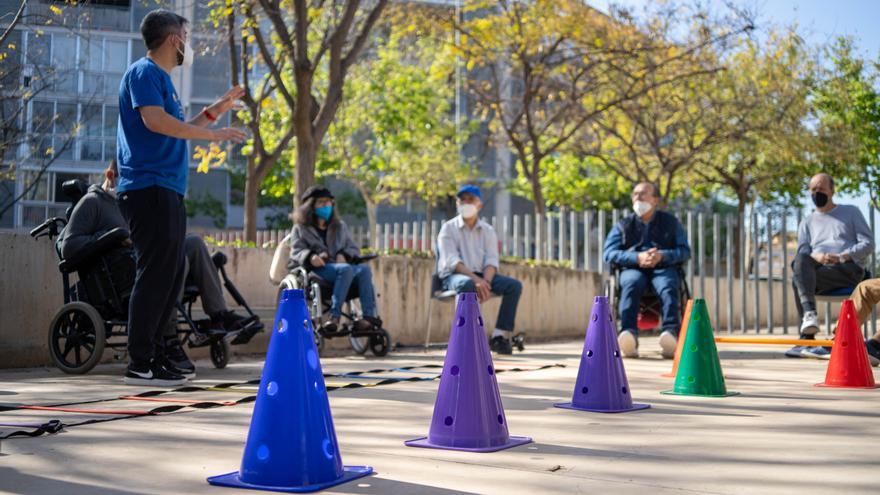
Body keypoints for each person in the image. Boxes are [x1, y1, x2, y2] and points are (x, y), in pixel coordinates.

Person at [117, 9, 245, 386]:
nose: (189, 44)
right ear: (175, 39)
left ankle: (157, 353)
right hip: (148, 188)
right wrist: (213, 137)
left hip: (167, 189)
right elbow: (154, 122)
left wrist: (216, 112)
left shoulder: (163, 82)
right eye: (187, 36)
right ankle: (140, 361)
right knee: (155, 275)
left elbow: (179, 129)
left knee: (171, 276)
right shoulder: (143, 73)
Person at [60, 161, 250, 378]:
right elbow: (70, 247)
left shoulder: (131, 202)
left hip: (144, 260)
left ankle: (219, 315)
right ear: (111, 176)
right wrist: (114, 237)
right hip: (119, 276)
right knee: (173, 260)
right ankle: (168, 337)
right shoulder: (92, 203)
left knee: (194, 244)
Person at [786, 173, 873, 359]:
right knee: (799, 263)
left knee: (798, 279)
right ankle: (809, 321)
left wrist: (842, 256)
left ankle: (806, 336)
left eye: (821, 188)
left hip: (848, 269)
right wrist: (816, 256)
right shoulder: (806, 222)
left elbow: (868, 243)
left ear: (832, 190)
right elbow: (803, 253)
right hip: (820, 271)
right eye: (813, 189)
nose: (817, 192)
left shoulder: (851, 212)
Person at [603, 182, 690, 359]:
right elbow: (609, 253)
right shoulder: (623, 225)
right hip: (633, 268)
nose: (638, 198)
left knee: (668, 285)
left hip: (663, 268)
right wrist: (637, 257)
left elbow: (684, 251)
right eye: (635, 194)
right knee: (630, 283)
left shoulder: (671, 223)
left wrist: (662, 256)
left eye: (643, 194)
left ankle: (670, 335)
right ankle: (628, 335)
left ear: (655, 199)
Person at [437, 184, 523, 355]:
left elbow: (491, 261)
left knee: (514, 286)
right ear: (457, 204)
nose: (466, 203)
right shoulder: (448, 228)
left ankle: (498, 336)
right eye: (462, 199)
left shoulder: (488, 230)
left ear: (479, 204)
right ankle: (466, 338)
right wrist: (477, 281)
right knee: (466, 285)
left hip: (483, 277)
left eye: (471, 199)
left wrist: (486, 282)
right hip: (454, 276)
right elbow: (453, 261)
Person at [288, 186, 381, 332]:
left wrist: (344, 254)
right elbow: (296, 251)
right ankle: (334, 316)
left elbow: (353, 248)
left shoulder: (339, 227)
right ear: (311, 206)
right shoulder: (300, 228)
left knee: (364, 270)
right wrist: (310, 256)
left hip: (342, 269)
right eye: (321, 203)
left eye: (329, 203)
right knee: (345, 269)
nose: (326, 206)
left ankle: (368, 318)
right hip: (318, 271)